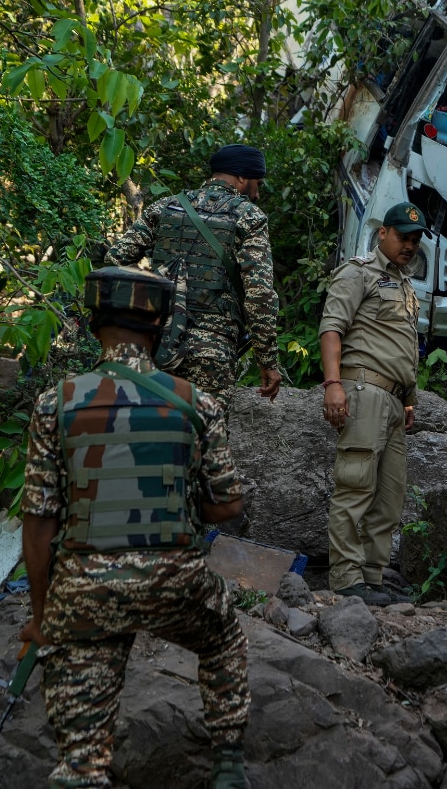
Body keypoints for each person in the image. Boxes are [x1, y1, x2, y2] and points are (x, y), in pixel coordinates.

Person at [19, 266, 250, 789]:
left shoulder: (55, 404)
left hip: (85, 591)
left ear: (93, 324)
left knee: (80, 755)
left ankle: (82, 767)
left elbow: (38, 522)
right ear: (159, 327)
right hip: (176, 583)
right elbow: (228, 506)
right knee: (223, 641)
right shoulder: (196, 403)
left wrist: (42, 619)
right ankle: (229, 766)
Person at [105, 144, 281, 418]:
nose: (257, 194)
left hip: (157, 346)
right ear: (243, 178)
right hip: (212, 352)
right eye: (257, 184)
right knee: (204, 440)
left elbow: (115, 260)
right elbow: (259, 295)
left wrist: (143, 316)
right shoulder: (250, 217)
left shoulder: (165, 207)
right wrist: (268, 361)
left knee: (152, 432)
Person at [318, 202, 428, 606]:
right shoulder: (357, 272)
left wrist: (410, 400)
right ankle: (346, 580)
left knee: (389, 496)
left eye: (415, 239)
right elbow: (332, 329)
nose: (410, 245)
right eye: (403, 236)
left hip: (396, 402)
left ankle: (372, 576)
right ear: (382, 233)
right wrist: (333, 384)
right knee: (355, 485)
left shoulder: (403, 284)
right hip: (363, 391)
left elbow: (403, 348)